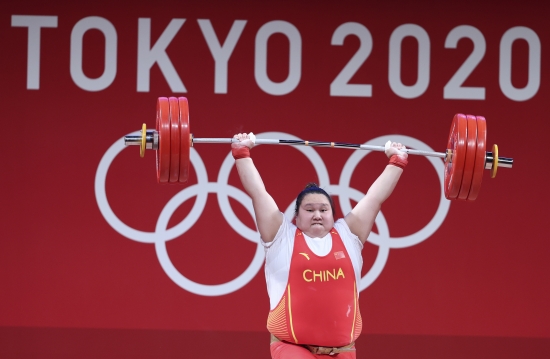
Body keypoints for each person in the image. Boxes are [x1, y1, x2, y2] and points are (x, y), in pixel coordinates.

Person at [231, 133, 408, 358]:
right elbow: (258, 193)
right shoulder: (281, 236)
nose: (317, 215)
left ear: (333, 216)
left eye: (323, 210)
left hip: (343, 350)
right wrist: (242, 153)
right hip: (292, 349)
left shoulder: (348, 234)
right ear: (296, 215)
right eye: (309, 209)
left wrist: (397, 162)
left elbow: (374, 198)